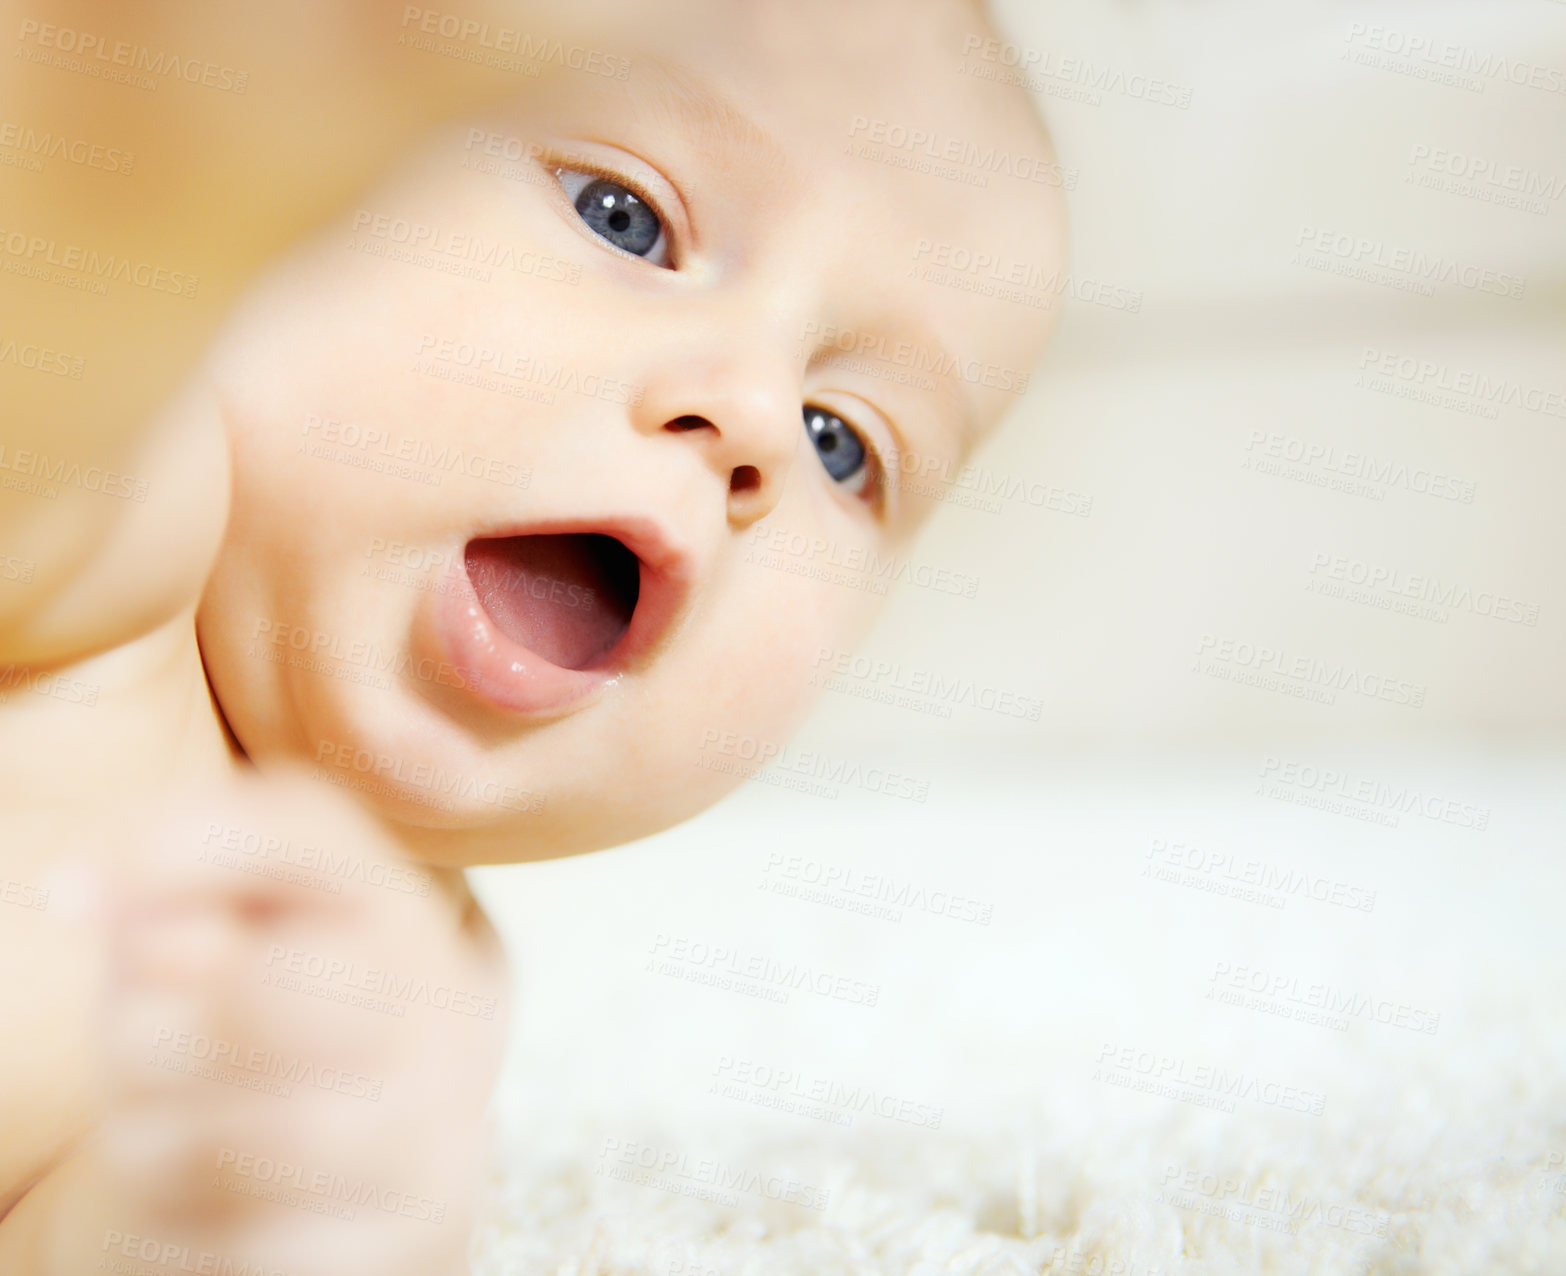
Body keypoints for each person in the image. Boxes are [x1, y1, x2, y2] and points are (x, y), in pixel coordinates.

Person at [0, 0, 1067, 1270]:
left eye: (846, 442)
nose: (754, 419)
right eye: (627, 218)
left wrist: (218, 1221)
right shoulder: (122, 562)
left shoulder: (424, 999)